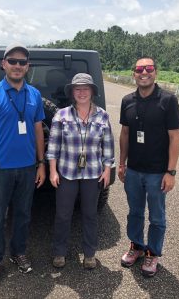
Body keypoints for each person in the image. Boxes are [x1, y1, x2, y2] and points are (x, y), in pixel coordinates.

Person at [0, 42, 46, 286]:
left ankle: (18, 252)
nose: (17, 66)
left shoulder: (34, 95)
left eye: (22, 62)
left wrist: (41, 164)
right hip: (0, 169)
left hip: (27, 168)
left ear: (27, 67)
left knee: (24, 215)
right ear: (3, 64)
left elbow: (38, 131)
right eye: (13, 61)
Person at [118, 57, 179, 277]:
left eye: (148, 68)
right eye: (139, 69)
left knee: (157, 216)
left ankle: (152, 253)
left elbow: (175, 137)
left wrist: (171, 172)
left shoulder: (168, 100)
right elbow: (125, 133)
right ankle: (136, 246)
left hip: (157, 173)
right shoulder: (127, 100)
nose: (143, 72)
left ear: (156, 72)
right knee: (134, 212)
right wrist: (121, 163)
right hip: (134, 170)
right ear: (133, 73)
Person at [46, 73, 115, 270]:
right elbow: (53, 147)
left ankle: (90, 254)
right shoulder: (62, 115)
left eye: (86, 88)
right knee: (63, 214)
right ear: (72, 92)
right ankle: (59, 252)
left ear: (92, 91)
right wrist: (53, 171)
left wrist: (107, 169)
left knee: (90, 214)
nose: (82, 92)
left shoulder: (102, 116)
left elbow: (108, 145)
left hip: (92, 173)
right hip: (67, 173)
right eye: (78, 89)